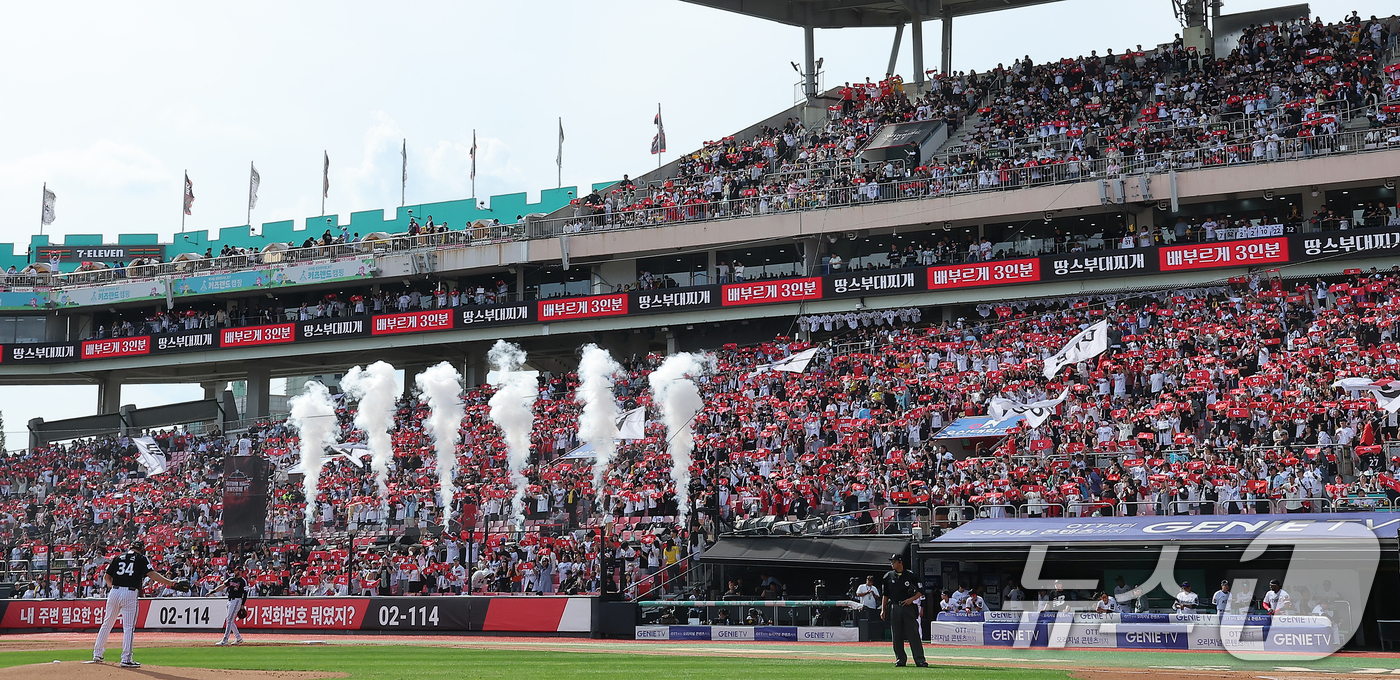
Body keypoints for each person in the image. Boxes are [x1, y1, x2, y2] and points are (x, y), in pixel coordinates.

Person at [91, 540, 188, 667]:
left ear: (130, 547)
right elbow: (152, 574)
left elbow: (107, 577)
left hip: (114, 592)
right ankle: (126, 658)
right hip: (129, 593)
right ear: (141, 549)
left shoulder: (118, 557)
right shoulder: (141, 558)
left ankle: (97, 653)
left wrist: (112, 588)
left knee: (107, 623)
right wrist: (170, 582)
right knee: (128, 628)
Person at [881, 553, 926, 668]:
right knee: (896, 634)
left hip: (908, 606)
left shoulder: (911, 575)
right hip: (895, 606)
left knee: (913, 634)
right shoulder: (888, 576)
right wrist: (883, 609)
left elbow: (921, 591)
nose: (892, 563)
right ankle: (900, 659)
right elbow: (885, 595)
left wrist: (911, 599)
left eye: (894, 561)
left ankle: (919, 659)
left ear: (900, 562)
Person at [212, 563, 249, 646]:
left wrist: (243, 605)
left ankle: (225, 640)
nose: (235, 572)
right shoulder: (231, 579)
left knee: (229, 620)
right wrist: (213, 591)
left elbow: (245, 594)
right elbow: (222, 586)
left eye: (236, 571)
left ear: (240, 571)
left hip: (237, 600)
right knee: (229, 620)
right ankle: (238, 638)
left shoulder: (243, 581)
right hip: (230, 600)